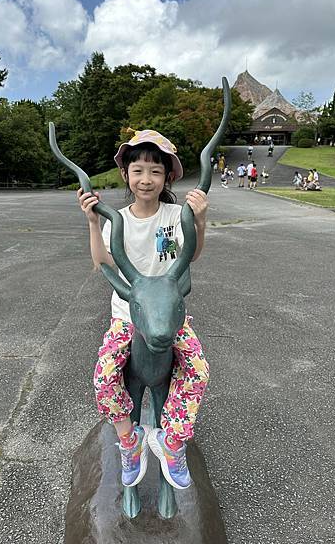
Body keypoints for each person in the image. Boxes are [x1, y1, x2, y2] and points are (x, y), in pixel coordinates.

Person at [77, 129, 209, 491]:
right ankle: (129, 439)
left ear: (167, 176)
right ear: (126, 175)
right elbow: (101, 261)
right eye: (138, 170)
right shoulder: (116, 219)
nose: (146, 179)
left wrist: (197, 220)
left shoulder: (174, 214)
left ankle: (173, 438)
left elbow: (191, 256)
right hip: (128, 316)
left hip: (168, 316)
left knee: (197, 368)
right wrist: (92, 220)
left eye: (155, 171)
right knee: (105, 376)